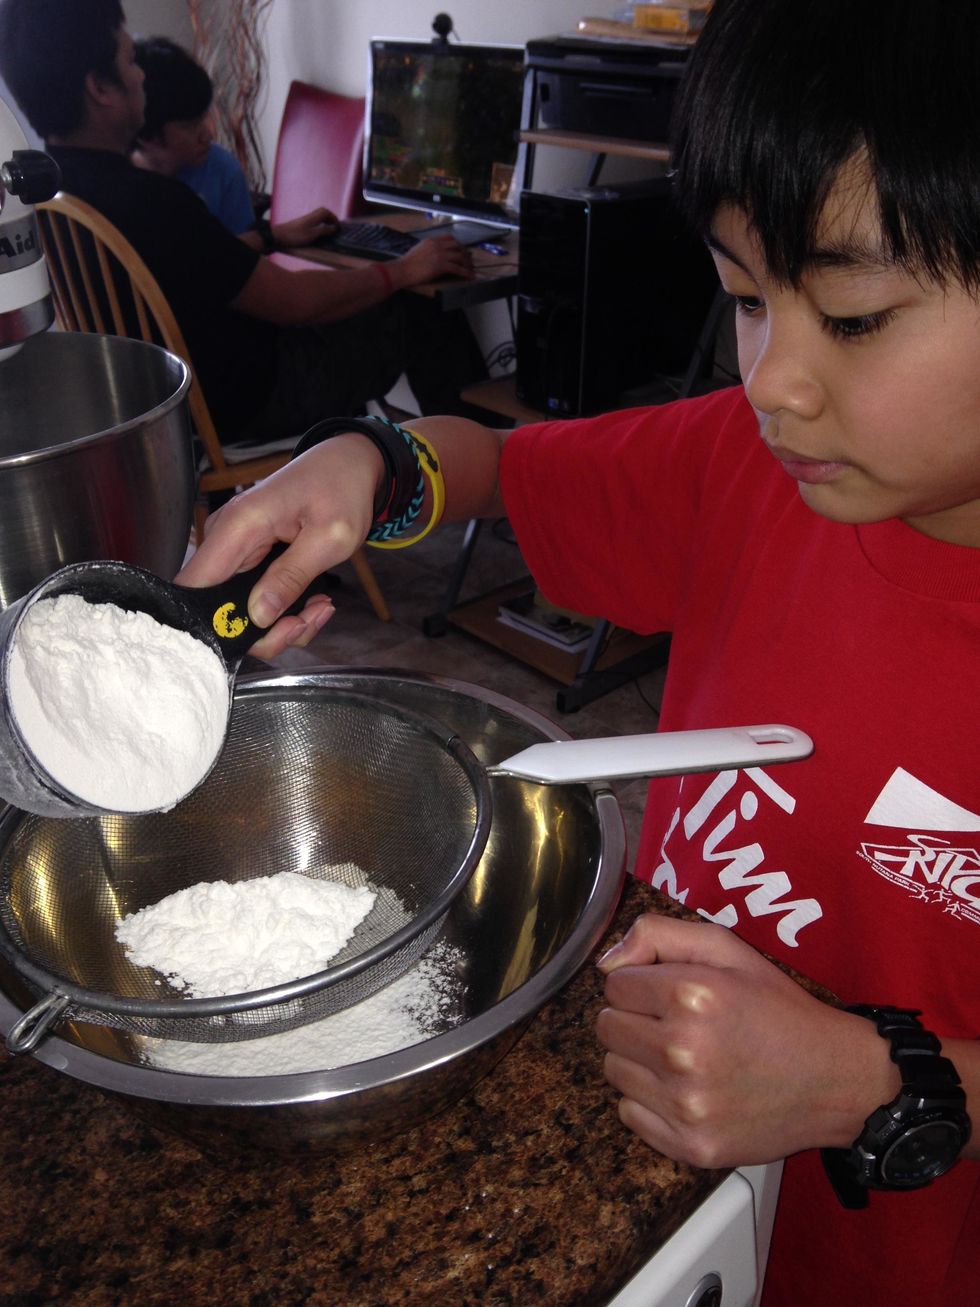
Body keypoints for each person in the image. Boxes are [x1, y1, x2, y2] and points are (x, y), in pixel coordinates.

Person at [173, 1, 980, 1301]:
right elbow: (500, 467)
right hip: (659, 1137)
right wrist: (370, 462)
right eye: (743, 297)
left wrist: (879, 1076)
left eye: (855, 315)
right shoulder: (745, 464)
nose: (772, 376)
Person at [0, 0, 487, 447]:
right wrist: (403, 271)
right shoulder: (151, 201)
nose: (141, 77)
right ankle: (488, 465)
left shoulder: (57, 193)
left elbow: (194, 270)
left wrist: (273, 234)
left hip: (158, 408)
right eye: (130, 61)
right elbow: (295, 303)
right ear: (100, 87)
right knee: (424, 304)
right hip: (251, 399)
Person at [131, 36, 333, 256]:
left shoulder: (221, 169)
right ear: (146, 135)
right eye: (190, 126)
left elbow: (245, 265)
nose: (208, 134)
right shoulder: (119, 183)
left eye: (204, 118)